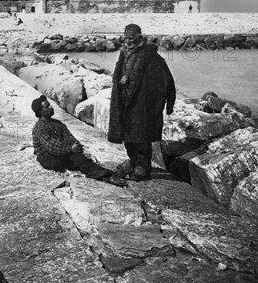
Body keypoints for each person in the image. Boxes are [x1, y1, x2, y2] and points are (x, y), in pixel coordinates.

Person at [108, 24, 176, 181]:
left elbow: (166, 79)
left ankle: (143, 167)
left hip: (142, 104)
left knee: (141, 136)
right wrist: (120, 80)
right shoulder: (124, 53)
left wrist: (169, 103)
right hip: (124, 102)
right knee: (127, 135)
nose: (128, 41)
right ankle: (133, 161)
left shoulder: (149, 55)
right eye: (126, 38)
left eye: (131, 38)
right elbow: (117, 74)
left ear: (139, 37)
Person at [32, 95, 125, 186]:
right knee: (74, 159)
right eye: (47, 106)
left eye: (50, 105)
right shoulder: (39, 127)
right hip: (47, 156)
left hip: (60, 152)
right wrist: (70, 149)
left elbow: (68, 137)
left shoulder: (58, 123)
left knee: (79, 158)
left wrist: (76, 145)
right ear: (40, 112)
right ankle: (104, 175)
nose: (51, 107)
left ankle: (106, 175)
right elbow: (51, 146)